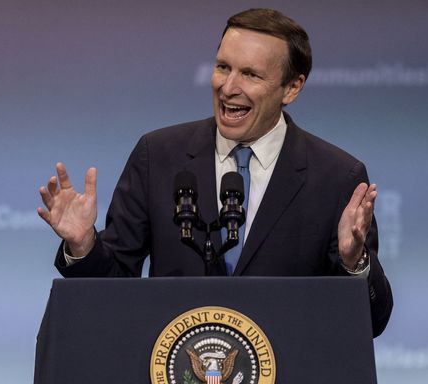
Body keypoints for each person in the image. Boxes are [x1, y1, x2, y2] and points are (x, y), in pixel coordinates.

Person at [37, 8, 392, 336]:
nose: (228, 86)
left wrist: (353, 263)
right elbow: (111, 290)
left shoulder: (336, 178)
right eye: (224, 67)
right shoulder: (159, 156)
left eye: (250, 74)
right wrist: (83, 246)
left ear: (292, 88)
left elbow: (372, 321)